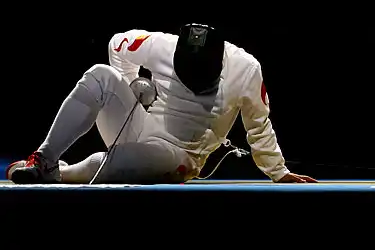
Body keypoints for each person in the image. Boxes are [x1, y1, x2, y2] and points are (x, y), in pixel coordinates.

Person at [6, 23, 317, 184]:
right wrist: (133, 88)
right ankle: (45, 160)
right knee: (100, 75)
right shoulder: (161, 45)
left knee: (117, 161)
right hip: (140, 128)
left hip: (180, 157)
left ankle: (62, 174)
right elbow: (117, 45)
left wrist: (278, 171)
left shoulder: (246, 69)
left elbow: (258, 124)